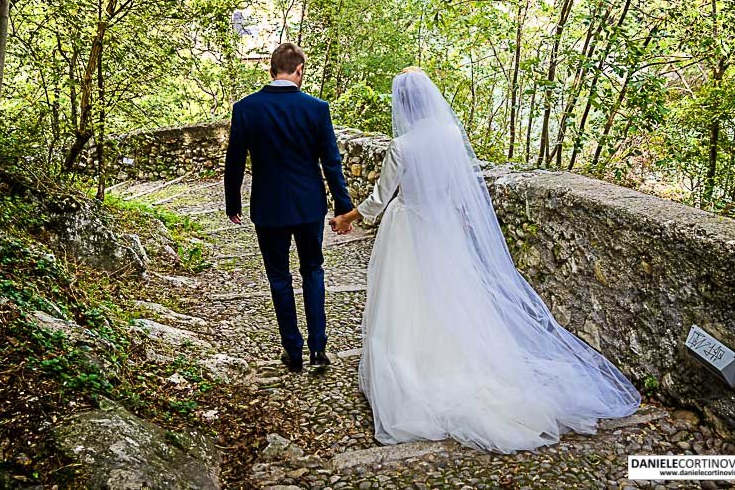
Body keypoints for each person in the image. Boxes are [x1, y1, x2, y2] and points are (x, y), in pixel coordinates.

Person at [329, 67, 641, 452]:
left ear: (404, 104)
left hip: (409, 230)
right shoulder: (450, 136)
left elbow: (380, 197)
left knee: (408, 302)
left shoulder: (402, 146)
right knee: (454, 298)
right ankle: (459, 361)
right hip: (444, 229)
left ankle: (417, 370)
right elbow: (460, 188)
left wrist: (348, 217)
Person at [224, 43, 354, 372]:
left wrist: (232, 201)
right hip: (309, 206)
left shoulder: (246, 109)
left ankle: (292, 351)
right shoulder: (316, 108)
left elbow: (234, 161)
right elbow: (332, 163)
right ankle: (318, 350)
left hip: (268, 209)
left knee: (279, 277)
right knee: (312, 271)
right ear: (298, 71)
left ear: (272, 70)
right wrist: (343, 207)